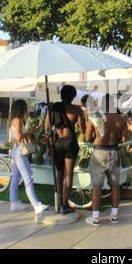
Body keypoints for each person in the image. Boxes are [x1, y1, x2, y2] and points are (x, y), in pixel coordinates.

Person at [85, 94, 128, 226]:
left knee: (96, 186)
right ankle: (114, 216)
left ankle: (96, 218)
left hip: (99, 152)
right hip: (114, 152)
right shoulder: (121, 119)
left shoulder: (94, 117)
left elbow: (87, 138)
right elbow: (124, 140)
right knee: (115, 185)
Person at [47, 85, 86, 215]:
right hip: (70, 141)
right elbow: (83, 129)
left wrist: (48, 146)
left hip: (57, 142)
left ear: (61, 95)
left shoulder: (52, 108)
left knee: (59, 173)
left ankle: (58, 203)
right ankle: (65, 205)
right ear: (73, 96)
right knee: (68, 175)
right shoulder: (77, 109)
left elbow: (47, 128)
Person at [9, 100, 49, 215]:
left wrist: (38, 131)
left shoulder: (16, 121)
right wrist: (30, 131)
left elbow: (27, 137)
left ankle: (14, 202)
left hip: (16, 151)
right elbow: (18, 137)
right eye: (25, 108)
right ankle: (36, 205)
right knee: (28, 178)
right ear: (22, 109)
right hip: (19, 152)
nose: (27, 110)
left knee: (16, 178)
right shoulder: (17, 121)